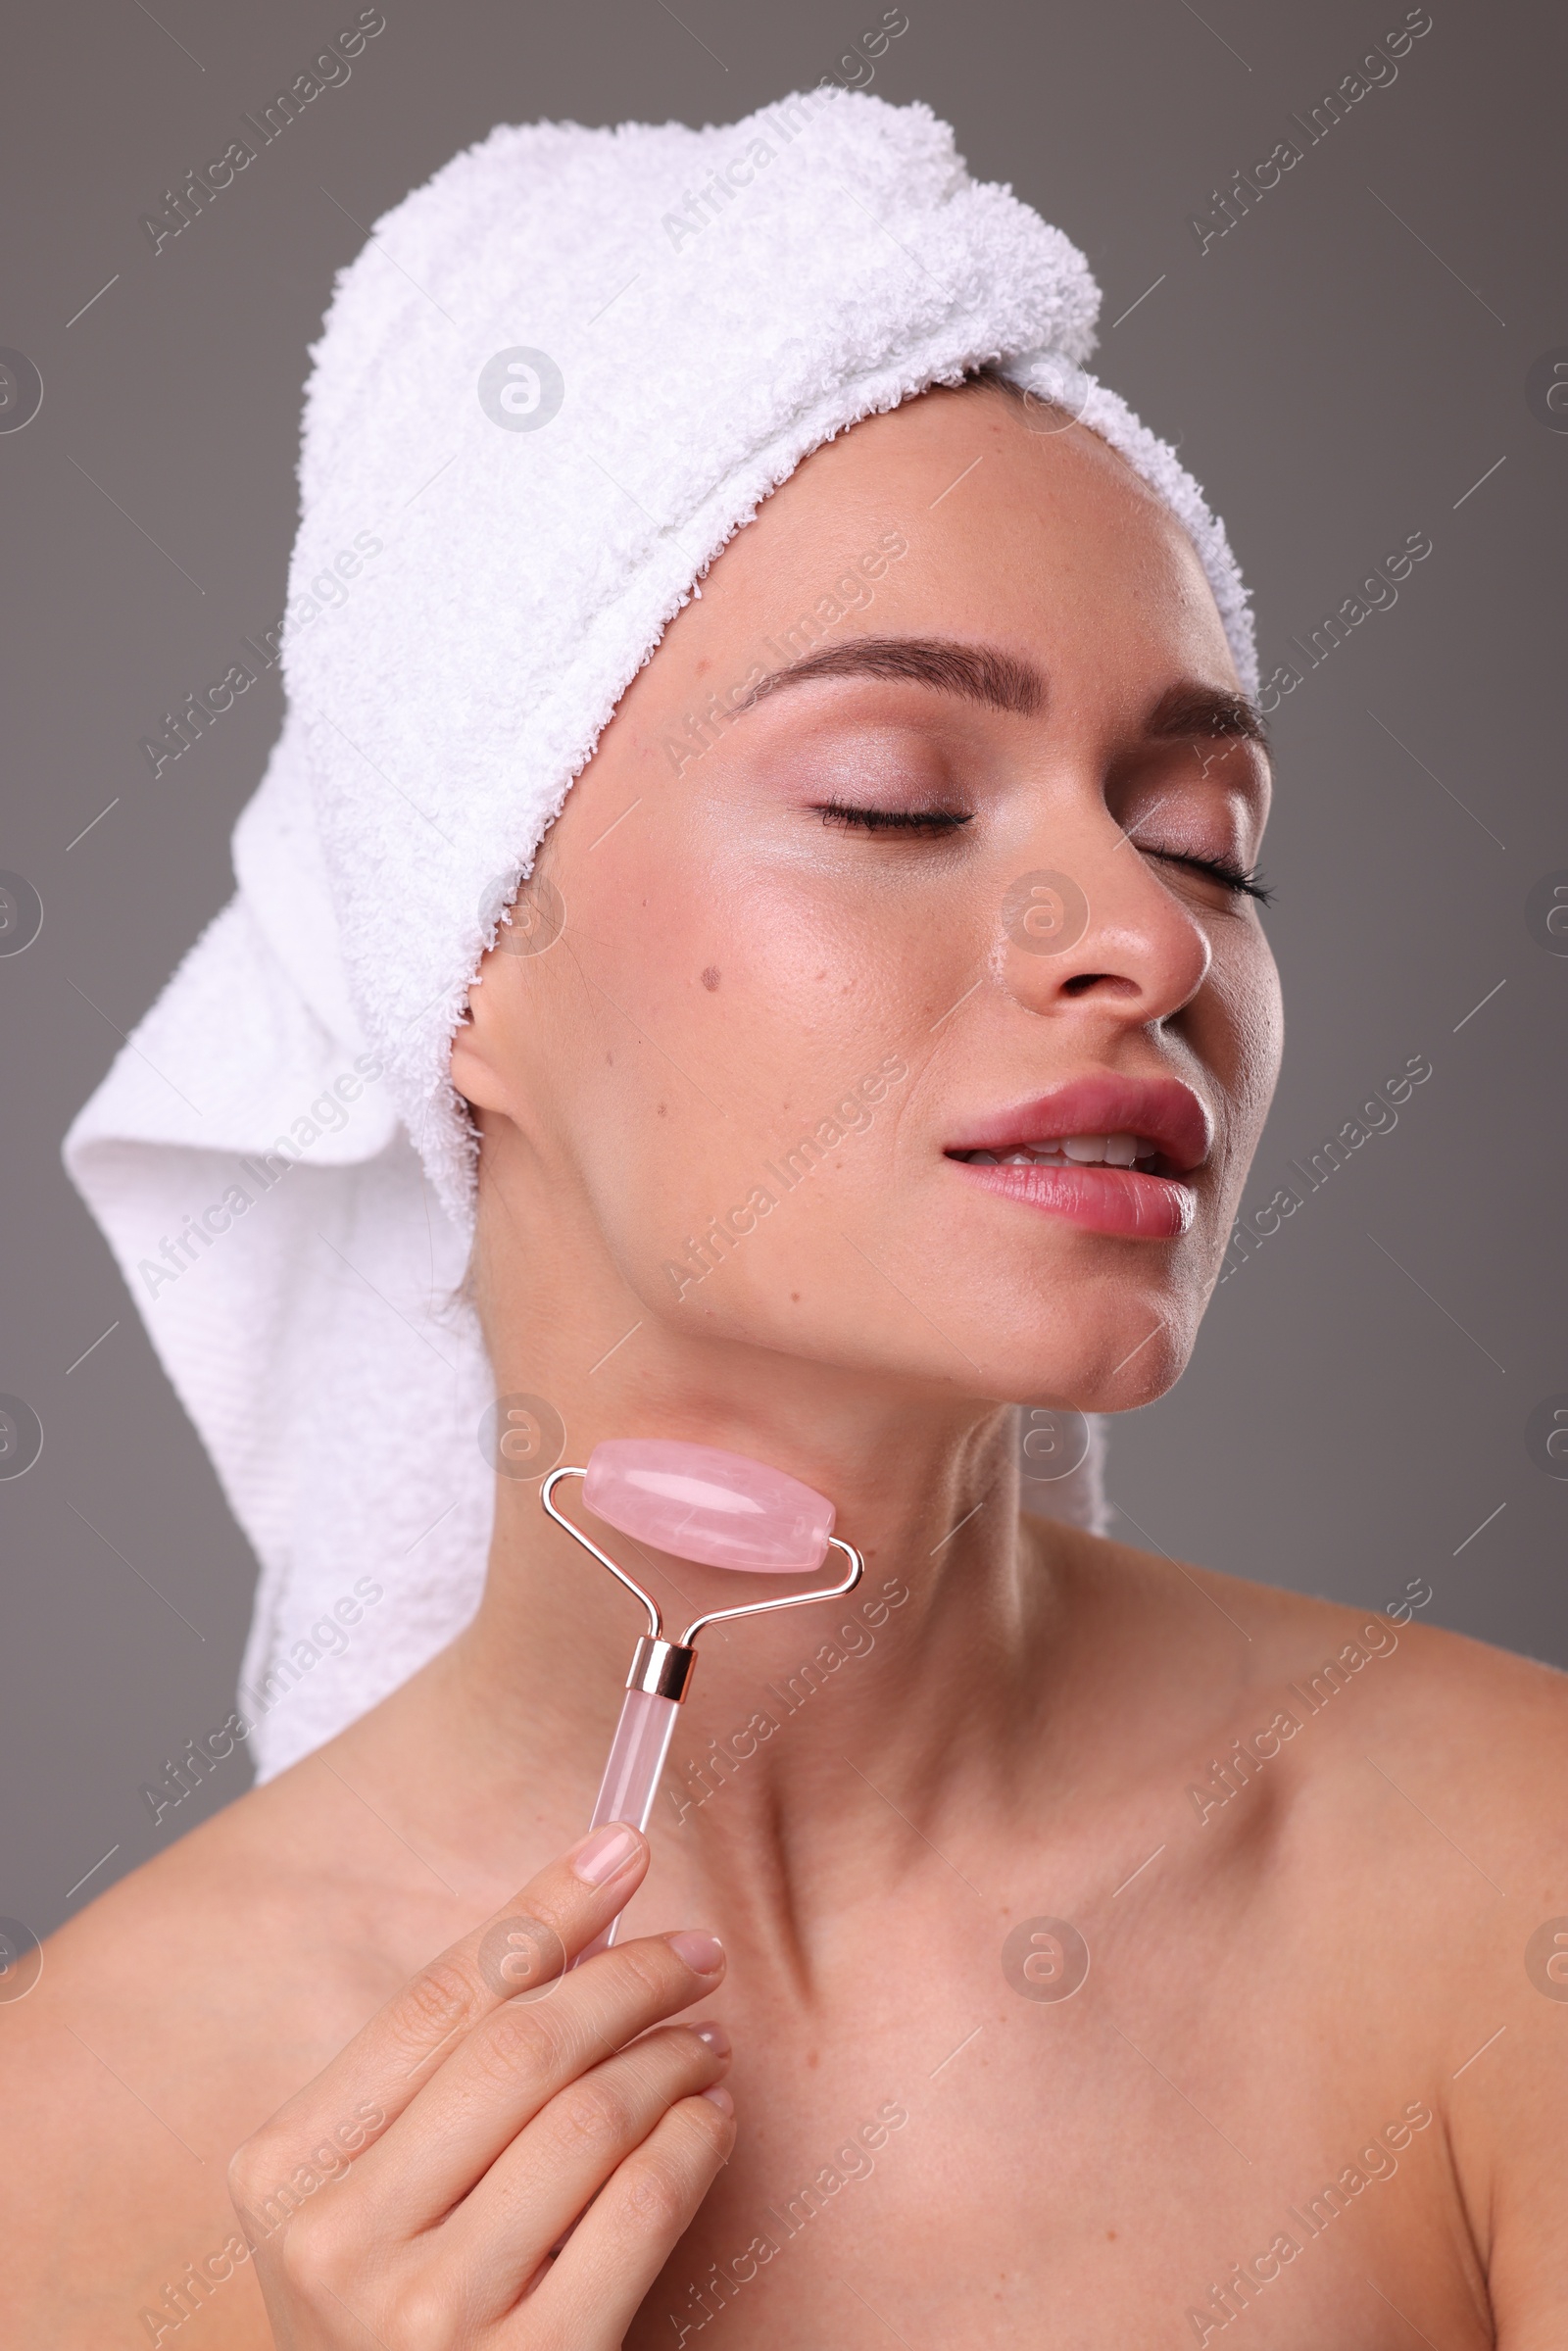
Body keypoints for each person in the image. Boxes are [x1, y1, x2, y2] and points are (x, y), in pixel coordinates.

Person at [11, 93, 1565, 2350]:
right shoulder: (65, 2140)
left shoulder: (1504, 1889)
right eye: (893, 796)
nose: (1145, 934)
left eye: (1206, 836)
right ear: (459, 971)